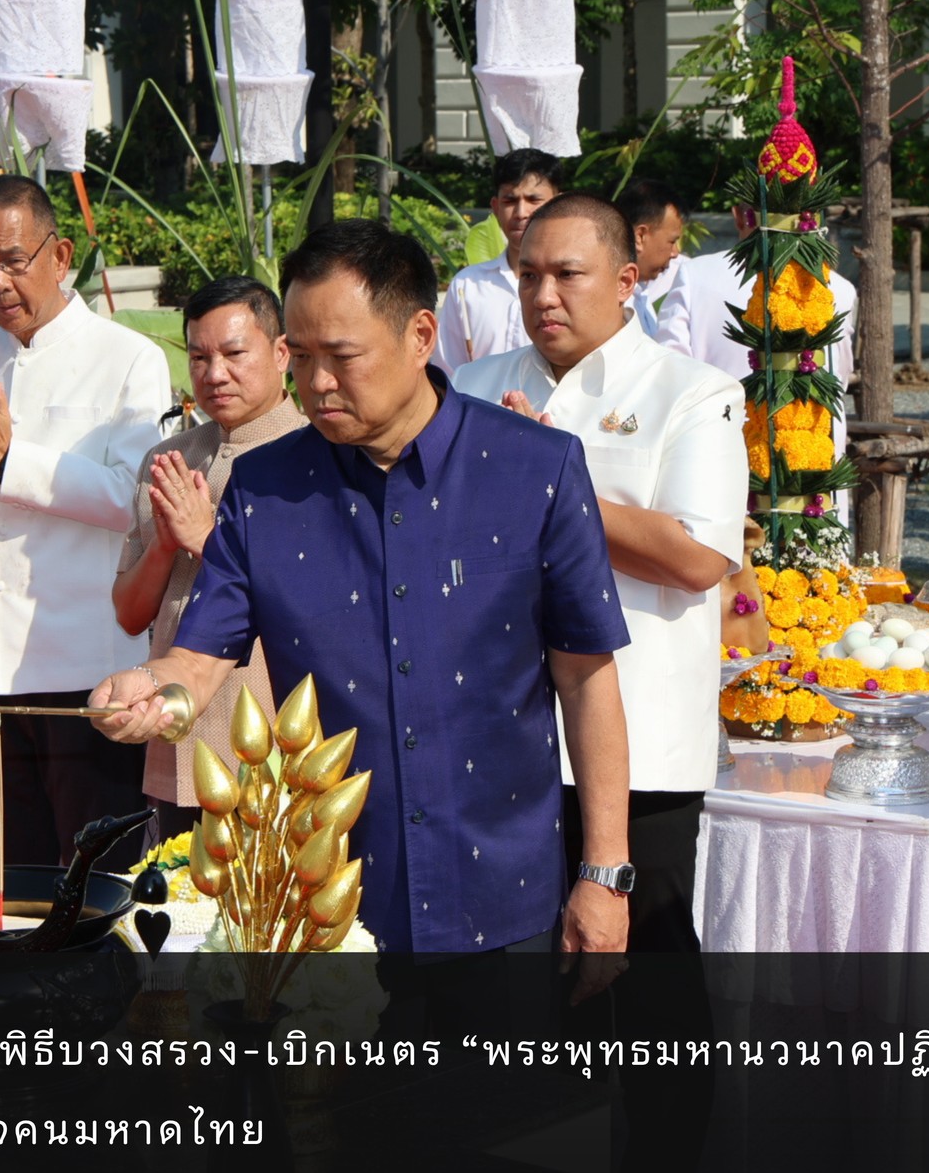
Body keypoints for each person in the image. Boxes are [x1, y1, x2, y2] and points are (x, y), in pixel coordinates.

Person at [91, 218, 634, 958]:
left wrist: (604, 873)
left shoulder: (534, 469)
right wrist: (147, 693)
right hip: (326, 904)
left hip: (504, 898)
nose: (315, 383)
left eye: (342, 356)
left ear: (419, 336)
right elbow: (197, 662)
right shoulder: (264, 489)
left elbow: (586, 679)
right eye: (303, 357)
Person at [453, 192, 745, 952]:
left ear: (625, 280)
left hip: (642, 742)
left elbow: (697, 559)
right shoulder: (467, 391)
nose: (543, 296)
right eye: (527, 275)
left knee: (651, 993)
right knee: (515, 994)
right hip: (499, 736)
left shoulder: (691, 391)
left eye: (567, 275)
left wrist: (550, 485)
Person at [0, 175, 170, 868]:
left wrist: (9, 457)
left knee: (96, 881)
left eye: (13, 260)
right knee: (7, 876)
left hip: (86, 664)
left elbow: (131, 500)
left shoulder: (127, 359)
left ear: (61, 256)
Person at [112, 275, 304, 843]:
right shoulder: (169, 458)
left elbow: (314, 595)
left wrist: (206, 539)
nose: (214, 373)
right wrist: (167, 543)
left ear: (281, 353)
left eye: (234, 353)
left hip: (272, 730)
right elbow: (128, 613)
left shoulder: (318, 453)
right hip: (175, 732)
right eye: (199, 356)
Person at [654, 205, 858, 386]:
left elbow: (670, 370)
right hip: (816, 425)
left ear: (739, 216)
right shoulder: (841, 288)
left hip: (719, 423)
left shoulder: (694, 274)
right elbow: (841, 375)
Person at [432, 148, 563, 375]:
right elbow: (448, 373)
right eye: (510, 200)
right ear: (495, 207)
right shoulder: (468, 286)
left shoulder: (579, 282)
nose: (521, 212)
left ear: (558, 204)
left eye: (533, 199)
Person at [614, 177, 690, 336]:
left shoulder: (640, 295)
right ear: (640, 236)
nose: (675, 253)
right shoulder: (608, 300)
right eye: (672, 241)